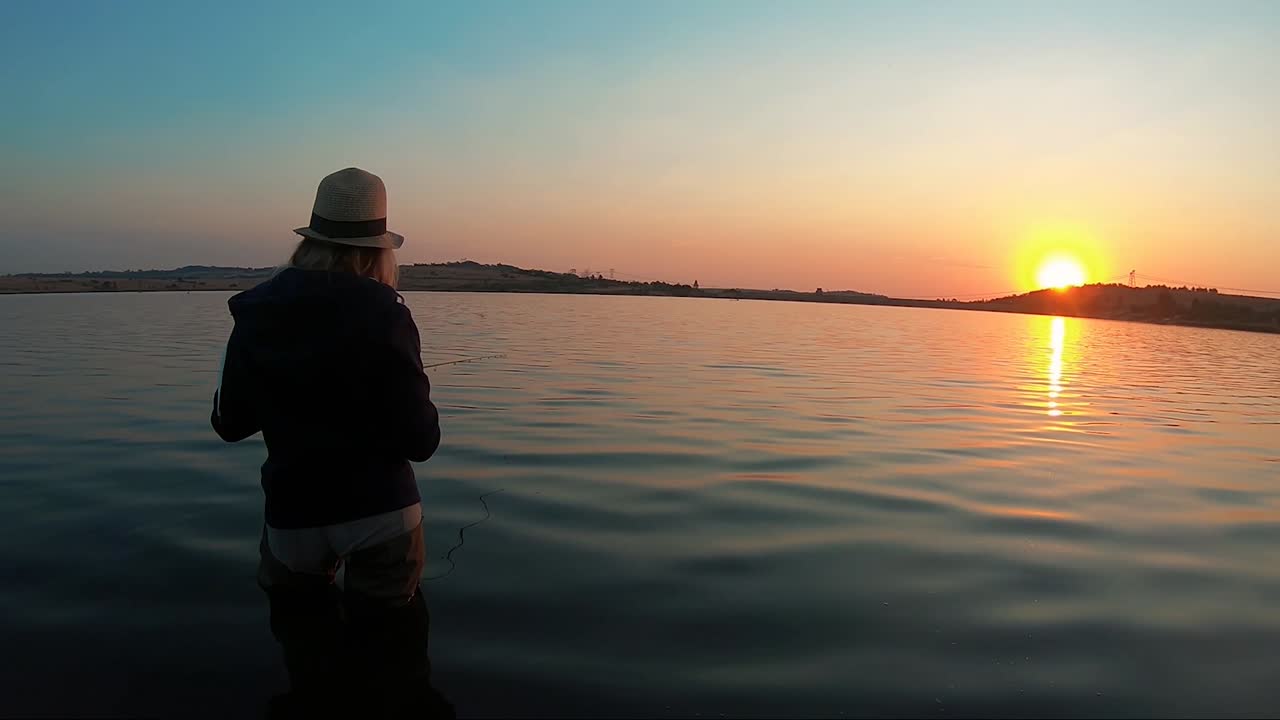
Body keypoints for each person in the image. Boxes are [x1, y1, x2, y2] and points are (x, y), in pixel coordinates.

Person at [211, 167, 452, 717]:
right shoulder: (388, 313)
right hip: (382, 514)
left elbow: (229, 422)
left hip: (293, 517)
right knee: (393, 662)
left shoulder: (252, 310)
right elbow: (422, 440)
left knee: (309, 666)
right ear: (377, 250)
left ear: (312, 237)